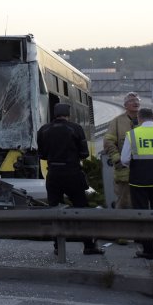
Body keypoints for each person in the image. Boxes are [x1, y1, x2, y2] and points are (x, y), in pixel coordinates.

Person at [37, 103, 104, 256]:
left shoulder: (43, 130)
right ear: (68, 115)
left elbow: (42, 155)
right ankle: (89, 245)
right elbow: (84, 153)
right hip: (72, 173)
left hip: (53, 173)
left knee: (54, 210)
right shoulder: (76, 129)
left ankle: (58, 246)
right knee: (81, 209)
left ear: (54, 115)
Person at [120, 107, 153, 259]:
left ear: (139, 118)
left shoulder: (132, 135)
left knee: (142, 214)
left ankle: (148, 250)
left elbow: (124, 159)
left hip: (139, 181)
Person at [103, 92, 141, 210]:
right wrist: (116, 158)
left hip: (143, 170)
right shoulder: (117, 122)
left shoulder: (145, 120)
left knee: (141, 203)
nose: (135, 102)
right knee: (124, 202)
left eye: (137, 100)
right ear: (125, 105)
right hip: (124, 171)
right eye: (131, 101)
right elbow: (108, 141)